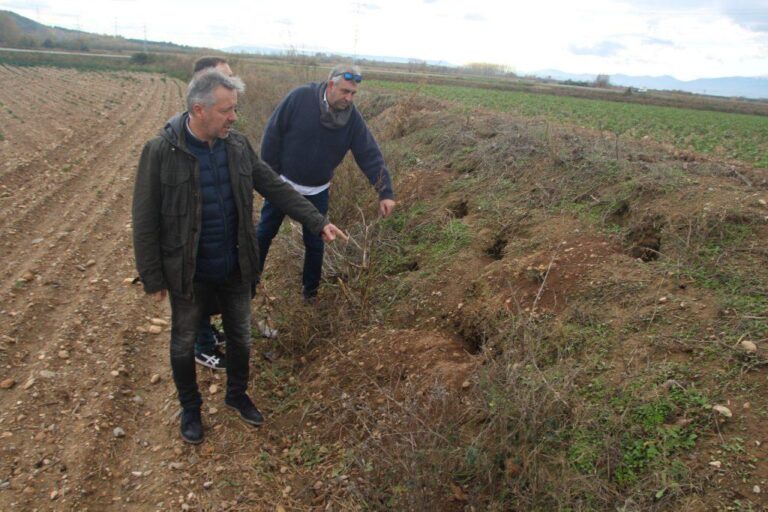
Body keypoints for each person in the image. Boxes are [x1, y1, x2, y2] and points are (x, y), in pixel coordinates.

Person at [132, 69, 347, 444]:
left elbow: (274, 186)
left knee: (241, 338)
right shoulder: (160, 151)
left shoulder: (236, 146)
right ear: (199, 109)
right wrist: (153, 276)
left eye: (235, 109)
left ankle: (236, 394)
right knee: (183, 344)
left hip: (235, 265)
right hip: (188, 272)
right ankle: (191, 408)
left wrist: (317, 221)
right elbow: (145, 219)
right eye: (226, 110)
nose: (234, 117)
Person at [257, 64, 396, 300]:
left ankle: (310, 295)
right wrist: (270, 178)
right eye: (345, 91)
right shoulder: (300, 98)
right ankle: (249, 283)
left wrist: (385, 191)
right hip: (283, 186)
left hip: (317, 191)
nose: (349, 98)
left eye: (353, 93)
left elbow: (369, 154)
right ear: (331, 85)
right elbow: (272, 134)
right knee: (264, 233)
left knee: (315, 242)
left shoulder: (352, 119)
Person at [190, 56, 234, 373]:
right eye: (225, 77)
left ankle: (206, 334)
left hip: (217, 237)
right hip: (196, 241)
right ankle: (201, 346)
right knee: (197, 290)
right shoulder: (177, 141)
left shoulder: (223, 135)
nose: (231, 81)